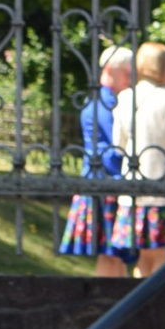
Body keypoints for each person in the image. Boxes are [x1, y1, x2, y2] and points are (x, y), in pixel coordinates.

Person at [58, 46, 133, 272]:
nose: (131, 80)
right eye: (127, 73)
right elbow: (115, 148)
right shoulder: (107, 105)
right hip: (106, 184)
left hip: (103, 183)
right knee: (111, 254)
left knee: (112, 255)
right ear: (109, 70)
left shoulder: (104, 102)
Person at [109, 42, 165, 273]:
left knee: (142, 258)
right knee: (162, 255)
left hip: (134, 188)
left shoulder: (127, 98)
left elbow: (118, 145)